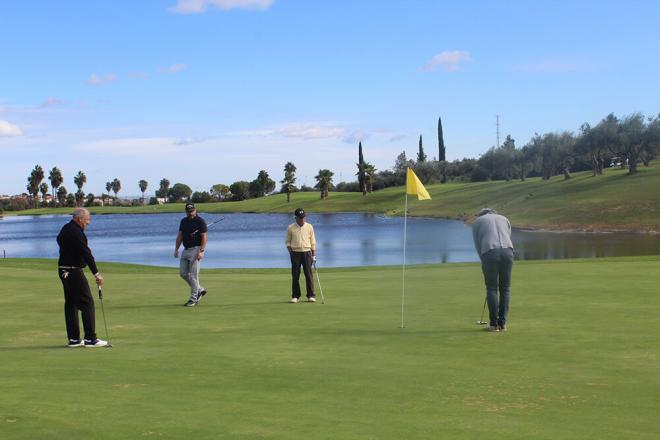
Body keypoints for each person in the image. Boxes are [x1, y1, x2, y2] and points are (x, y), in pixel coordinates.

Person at [56, 208, 107, 347]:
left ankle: (74, 339)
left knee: (71, 304)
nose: (88, 222)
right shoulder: (76, 232)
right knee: (87, 303)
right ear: (79, 219)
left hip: (63, 270)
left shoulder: (66, 228)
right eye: (87, 219)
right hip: (73, 271)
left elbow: (60, 241)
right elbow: (87, 254)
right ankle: (90, 339)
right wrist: (96, 274)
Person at [472, 208, 514, 332]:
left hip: (489, 252)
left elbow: (477, 244)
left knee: (491, 288)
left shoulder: (478, 221)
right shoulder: (504, 218)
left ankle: (493, 324)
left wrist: (483, 260)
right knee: (505, 288)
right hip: (508, 252)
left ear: (481, 214)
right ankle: (502, 324)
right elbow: (508, 235)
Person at [174, 203, 208, 307]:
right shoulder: (183, 221)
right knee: (183, 273)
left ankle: (194, 298)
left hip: (196, 249)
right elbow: (180, 236)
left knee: (193, 275)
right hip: (186, 249)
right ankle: (199, 289)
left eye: (192, 211)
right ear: (186, 211)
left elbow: (204, 238)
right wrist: (176, 249)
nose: (190, 213)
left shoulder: (200, 221)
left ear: (195, 210)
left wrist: (201, 251)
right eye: (188, 211)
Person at [285, 208, 316, 303]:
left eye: (303, 217)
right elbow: (287, 242)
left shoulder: (309, 227)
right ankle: (295, 296)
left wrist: (314, 255)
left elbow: (313, 241)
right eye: (300, 218)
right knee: (295, 275)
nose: (302, 219)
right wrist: (291, 252)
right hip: (295, 253)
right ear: (296, 218)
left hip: (307, 253)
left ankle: (310, 295)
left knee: (308, 274)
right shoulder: (291, 227)